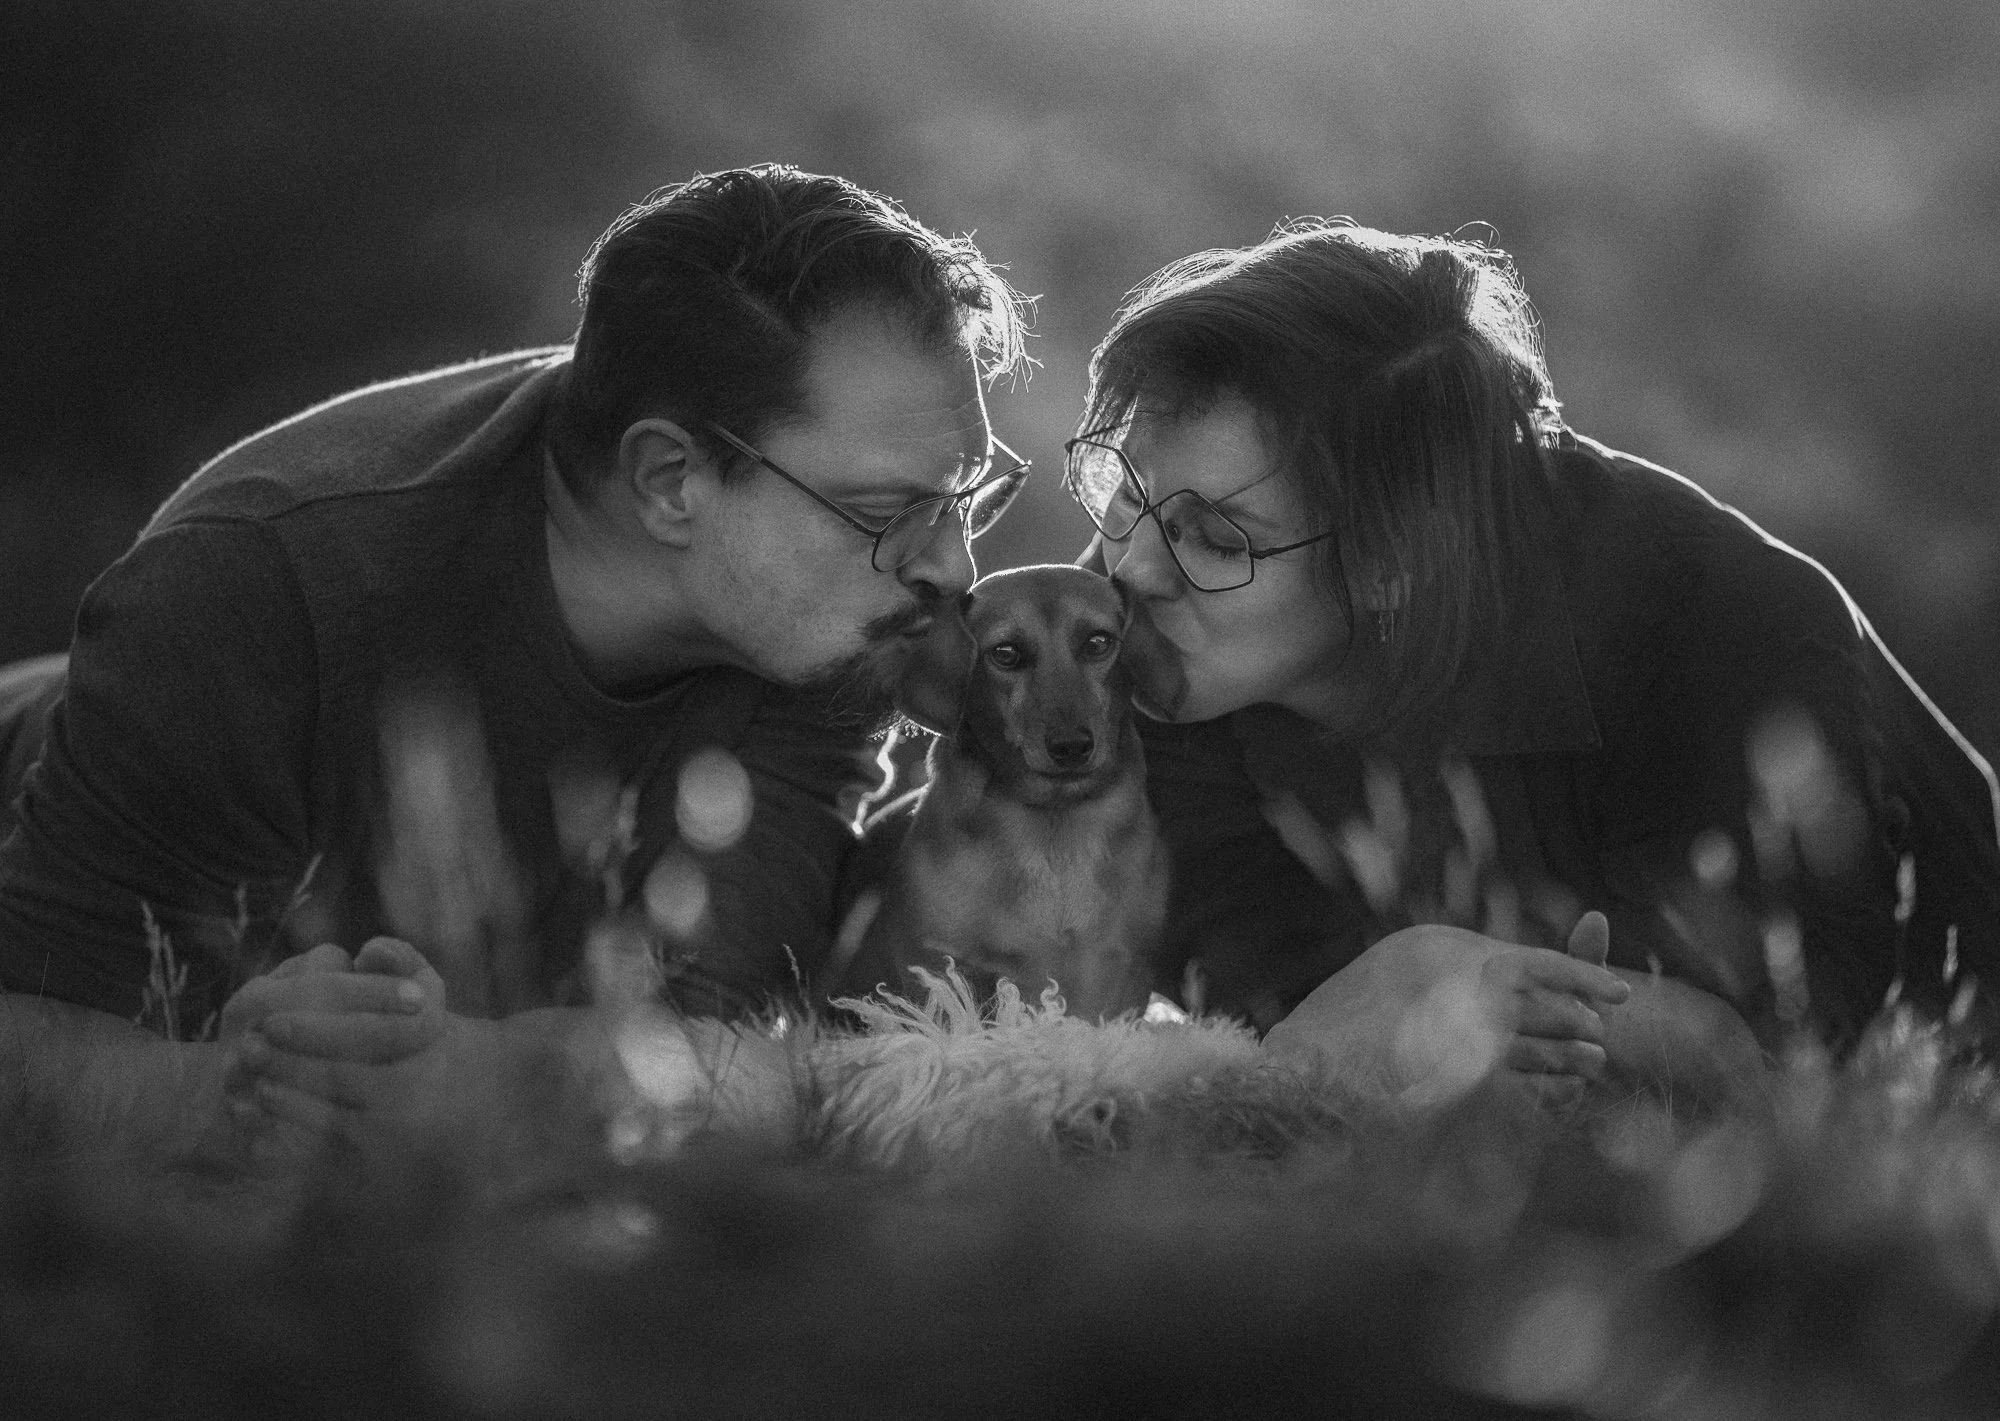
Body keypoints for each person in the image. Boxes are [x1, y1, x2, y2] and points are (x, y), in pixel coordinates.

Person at [0, 164, 1032, 1162]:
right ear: (670, 480)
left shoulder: (838, 613)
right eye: (891, 511)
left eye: (965, 492)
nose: (952, 566)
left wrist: (488, 1084)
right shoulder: (254, 582)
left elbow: (714, 1046)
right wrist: (236, 1097)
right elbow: (39, 1038)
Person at [1064, 221, 2000, 1107]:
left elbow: (1784, 1068)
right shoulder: (1133, 619)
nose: (1129, 565)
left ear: (1398, 561)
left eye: (1217, 538)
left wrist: (1428, 986)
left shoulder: (1712, 624)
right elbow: (1275, 1020)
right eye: (1123, 484)